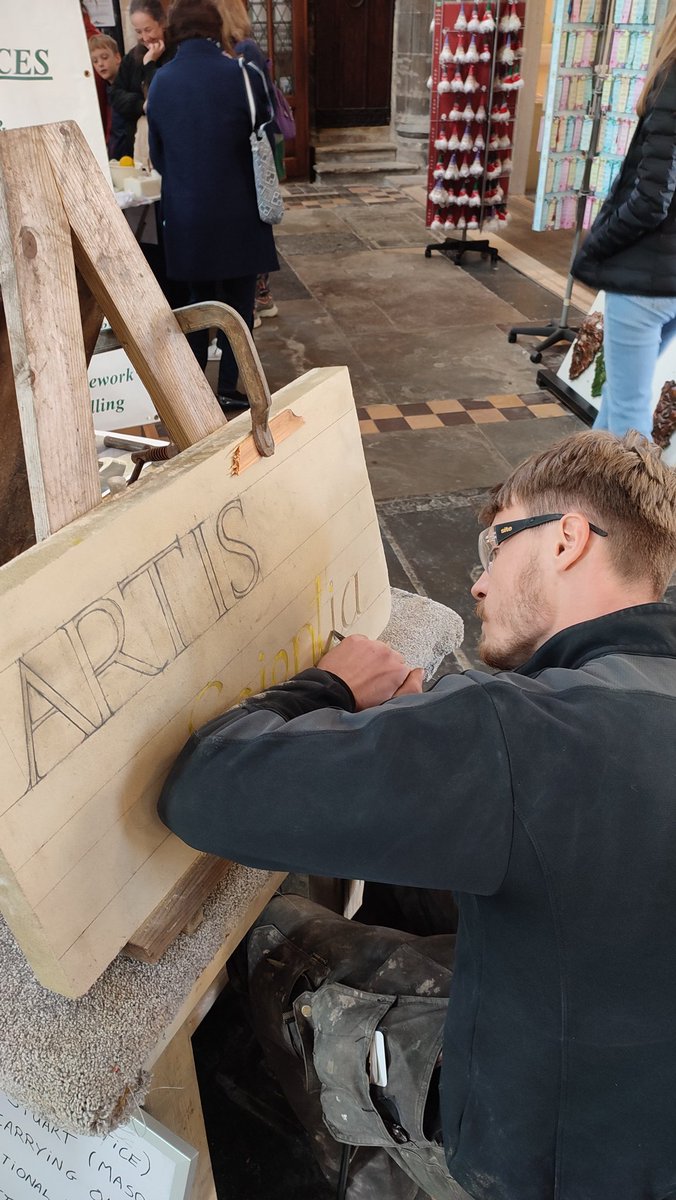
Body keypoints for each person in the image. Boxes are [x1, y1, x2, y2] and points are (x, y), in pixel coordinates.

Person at [159, 429, 676, 1200]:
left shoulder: (526, 733)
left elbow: (204, 787)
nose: (477, 582)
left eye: (495, 546)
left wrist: (327, 688)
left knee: (277, 938)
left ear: (567, 539)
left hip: (555, 1168)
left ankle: (349, 1165)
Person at [147, 0, 278, 411]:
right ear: (216, 28)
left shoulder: (162, 81)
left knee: (196, 304)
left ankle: (195, 395)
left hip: (187, 213)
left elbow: (159, 154)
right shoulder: (242, 74)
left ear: (173, 32)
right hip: (238, 209)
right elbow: (266, 138)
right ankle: (231, 387)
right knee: (239, 304)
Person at [572, 2, 676, 438]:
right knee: (618, 401)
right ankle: (583, 495)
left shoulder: (673, 77)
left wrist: (598, 243)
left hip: (643, 278)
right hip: (665, 281)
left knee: (628, 423)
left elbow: (651, 199)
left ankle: (624, 506)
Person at [214, 0, 282, 327]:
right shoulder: (237, 51)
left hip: (255, 151)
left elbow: (259, 106)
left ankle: (259, 298)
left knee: (258, 220)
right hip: (249, 150)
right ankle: (256, 298)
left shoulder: (245, 52)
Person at [110, 0, 172, 158]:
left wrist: (150, 64)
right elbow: (115, 94)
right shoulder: (131, 57)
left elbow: (164, 95)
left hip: (169, 141)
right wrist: (140, 104)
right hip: (137, 143)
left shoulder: (176, 53)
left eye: (148, 29)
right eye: (138, 32)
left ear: (162, 23)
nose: (144, 37)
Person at [89, 34, 130, 160]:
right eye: (95, 61)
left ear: (117, 57)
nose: (100, 64)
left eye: (104, 57)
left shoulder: (126, 85)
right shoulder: (108, 88)